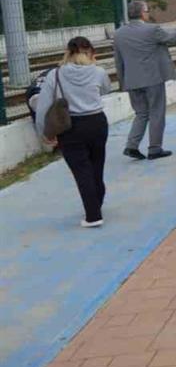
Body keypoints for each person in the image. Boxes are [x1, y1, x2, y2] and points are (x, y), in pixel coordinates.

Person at [34, 37, 114, 228]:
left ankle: (93, 215)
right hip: (97, 123)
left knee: (81, 171)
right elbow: (106, 89)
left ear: (68, 53)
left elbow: (43, 106)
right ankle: (97, 202)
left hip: (71, 128)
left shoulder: (56, 74)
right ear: (91, 53)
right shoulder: (98, 71)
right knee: (97, 165)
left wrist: (45, 133)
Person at [113, 0, 176, 160]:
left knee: (141, 113)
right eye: (147, 10)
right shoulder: (152, 29)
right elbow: (174, 38)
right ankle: (155, 148)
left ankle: (131, 145)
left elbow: (118, 61)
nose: (148, 13)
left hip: (132, 81)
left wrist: (123, 82)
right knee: (156, 113)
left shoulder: (119, 33)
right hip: (152, 78)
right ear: (142, 13)